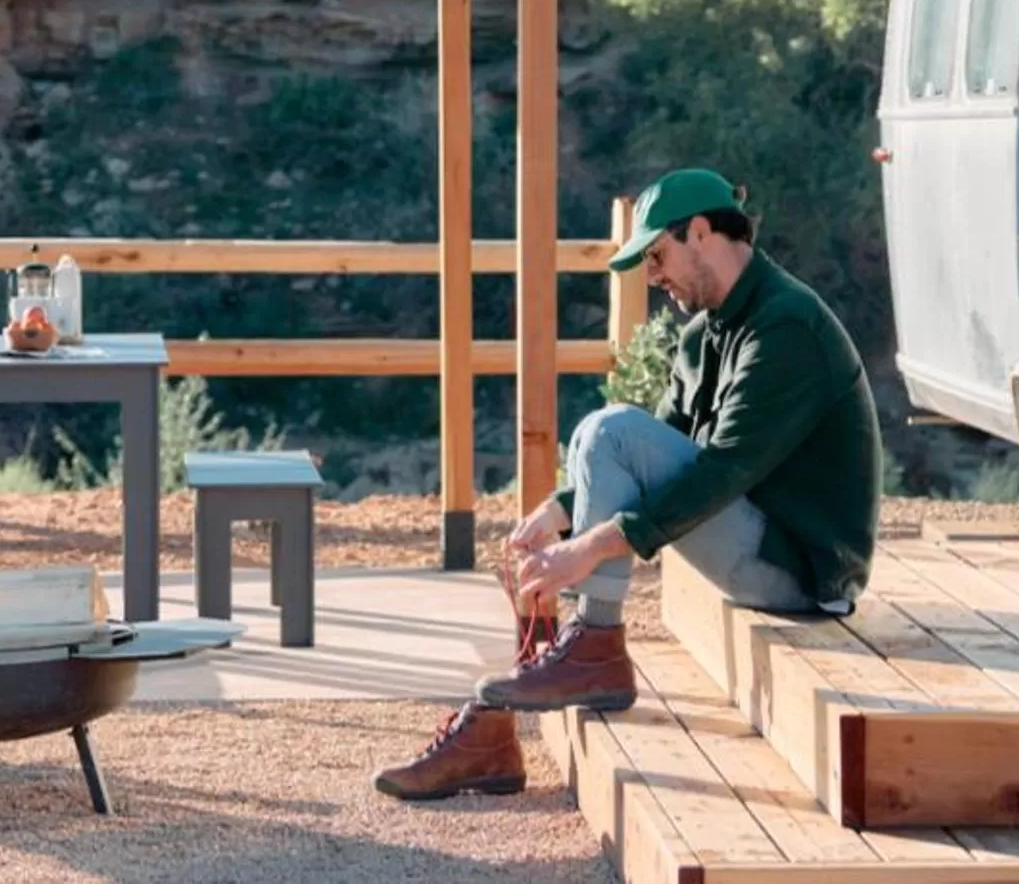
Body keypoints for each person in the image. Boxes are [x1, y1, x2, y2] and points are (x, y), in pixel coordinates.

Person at [374, 167, 883, 801]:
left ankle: (594, 644)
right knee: (601, 429)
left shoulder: (786, 326)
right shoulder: (707, 333)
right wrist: (559, 512)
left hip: (800, 569)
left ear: (700, 232)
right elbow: (662, 440)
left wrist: (588, 549)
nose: (653, 276)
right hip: (753, 542)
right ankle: (558, 674)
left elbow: (723, 471)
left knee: (610, 429)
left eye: (657, 255)